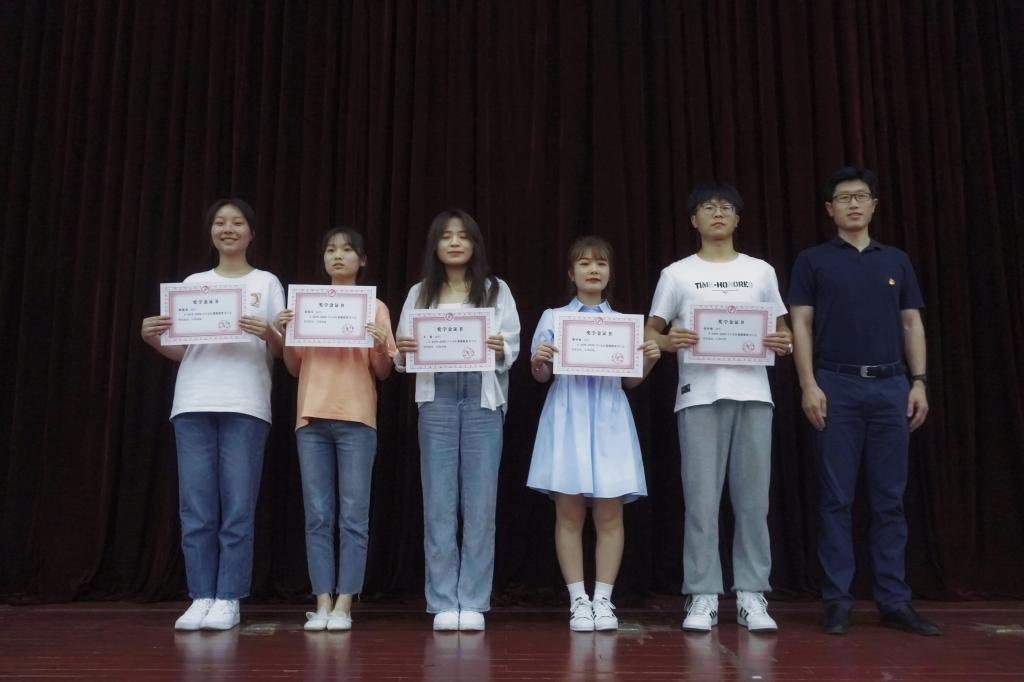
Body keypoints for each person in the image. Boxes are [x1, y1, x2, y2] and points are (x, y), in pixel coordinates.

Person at [789, 166, 940, 636]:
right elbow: (801, 325)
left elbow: (912, 324)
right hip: (836, 385)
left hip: (892, 385)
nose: (853, 204)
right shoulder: (812, 260)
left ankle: (894, 601)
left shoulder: (896, 260)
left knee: (890, 500)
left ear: (874, 204)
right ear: (829, 209)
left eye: (861, 196)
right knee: (836, 498)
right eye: (843, 198)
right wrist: (808, 384)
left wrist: (919, 382)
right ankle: (837, 601)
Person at [645, 183, 792, 633]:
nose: (718, 213)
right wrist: (667, 341)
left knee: (753, 501)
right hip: (698, 394)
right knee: (701, 500)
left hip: (754, 394)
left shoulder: (760, 271)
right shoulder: (676, 274)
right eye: (708, 208)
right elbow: (650, 334)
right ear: (694, 220)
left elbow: (783, 333)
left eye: (726, 207)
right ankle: (703, 593)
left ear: (738, 218)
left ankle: (751, 593)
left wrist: (782, 343)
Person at [140, 198, 284, 630]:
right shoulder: (194, 283)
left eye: (237, 222)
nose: (228, 229)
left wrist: (270, 333)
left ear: (251, 233)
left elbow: (286, 350)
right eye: (220, 222)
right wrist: (152, 338)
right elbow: (184, 350)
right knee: (196, 507)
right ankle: (201, 595)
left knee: (237, 506)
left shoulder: (266, 283)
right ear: (210, 232)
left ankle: (229, 598)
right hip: (192, 401)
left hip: (246, 402)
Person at [394, 209, 521, 631]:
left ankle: (475, 601)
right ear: (435, 245)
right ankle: (444, 601)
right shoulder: (419, 292)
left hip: (483, 397)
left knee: (481, 504)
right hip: (437, 398)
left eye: (462, 236)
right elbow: (400, 354)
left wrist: (500, 347)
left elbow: (512, 346)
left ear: (474, 244)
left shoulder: (496, 289)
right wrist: (403, 349)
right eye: (446, 236)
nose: (454, 242)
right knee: (438, 503)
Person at [527, 236, 660, 632]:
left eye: (600, 263)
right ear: (571, 273)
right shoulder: (553, 317)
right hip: (567, 414)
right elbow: (541, 375)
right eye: (584, 263)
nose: (593, 270)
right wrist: (538, 360)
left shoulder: (623, 324)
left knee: (609, 513)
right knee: (568, 512)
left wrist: (648, 361)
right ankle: (578, 600)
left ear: (610, 272)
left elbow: (630, 381)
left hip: (609, 416)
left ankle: (603, 599)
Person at [274, 228, 396, 631]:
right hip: (311, 417)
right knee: (318, 515)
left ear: (363, 260)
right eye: (330, 249)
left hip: (357, 418)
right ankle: (322, 600)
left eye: (347, 249)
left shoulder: (375, 307)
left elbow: (383, 371)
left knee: (353, 516)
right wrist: (286, 333)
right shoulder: (305, 305)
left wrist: (380, 343)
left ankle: (345, 603)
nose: (337, 256)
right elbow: (294, 367)